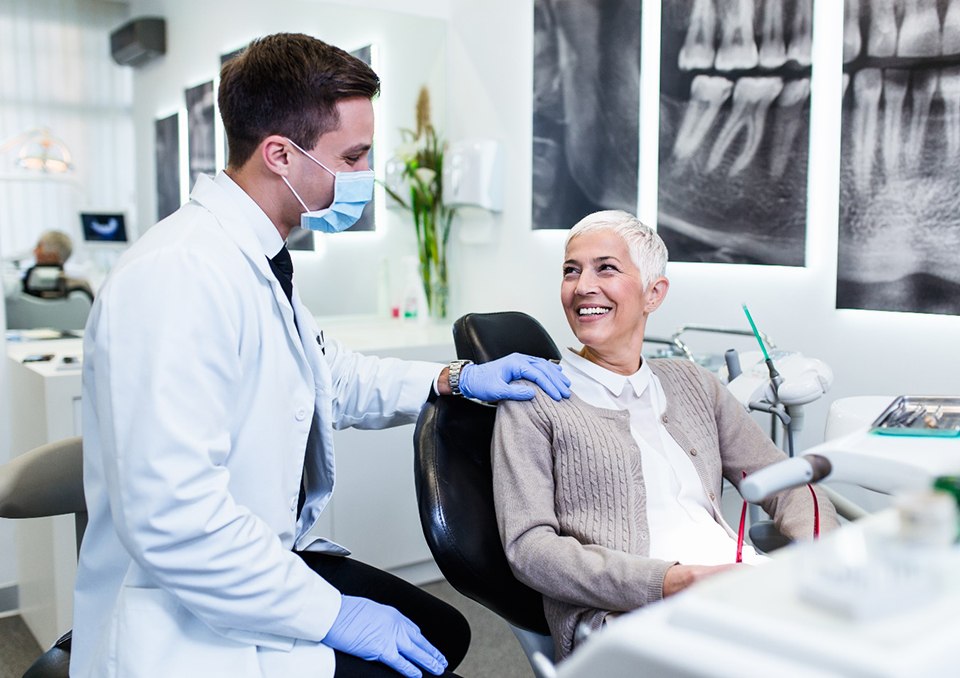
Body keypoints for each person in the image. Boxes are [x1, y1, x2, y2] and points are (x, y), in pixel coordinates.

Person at [71, 33, 570, 678]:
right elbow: (174, 520)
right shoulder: (178, 276)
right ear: (280, 154)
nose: (365, 175)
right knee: (422, 660)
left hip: (252, 562)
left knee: (442, 631)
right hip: (185, 613)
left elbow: (325, 378)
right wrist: (336, 615)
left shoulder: (253, 258)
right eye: (354, 156)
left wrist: (457, 378)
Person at [491, 210, 838, 660]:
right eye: (571, 271)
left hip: (735, 584)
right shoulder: (532, 401)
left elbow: (787, 480)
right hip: (624, 617)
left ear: (654, 293)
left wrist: (824, 552)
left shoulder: (693, 382)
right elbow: (530, 550)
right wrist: (671, 580)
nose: (582, 287)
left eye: (606, 268)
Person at [21, 230, 94, 300]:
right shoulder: (82, 288)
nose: (35, 251)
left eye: (39, 246)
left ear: (52, 256)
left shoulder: (26, 284)